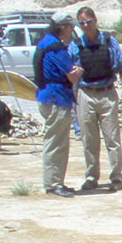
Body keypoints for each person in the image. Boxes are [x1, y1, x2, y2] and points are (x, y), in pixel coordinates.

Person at [70, 7, 122, 191]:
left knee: (112, 138)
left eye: (88, 21)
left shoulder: (109, 41)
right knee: (89, 139)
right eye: (81, 23)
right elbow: (71, 72)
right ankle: (91, 176)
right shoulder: (76, 45)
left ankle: (116, 177)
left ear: (95, 20)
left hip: (107, 93)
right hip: (86, 93)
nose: (85, 26)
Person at [34, 11, 84, 197]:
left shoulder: (45, 42)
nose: (72, 31)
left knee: (56, 141)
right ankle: (54, 183)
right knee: (56, 143)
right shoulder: (56, 48)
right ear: (63, 27)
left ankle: (55, 181)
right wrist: (79, 70)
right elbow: (72, 75)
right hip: (57, 98)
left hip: (48, 96)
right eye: (71, 27)